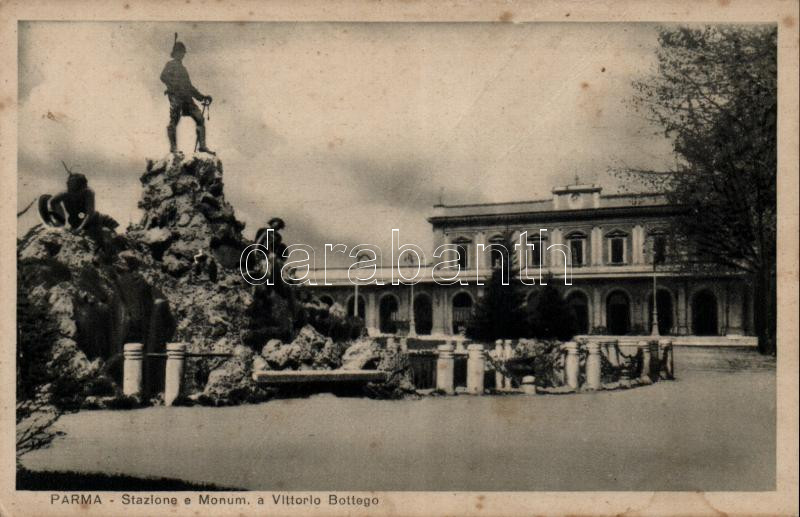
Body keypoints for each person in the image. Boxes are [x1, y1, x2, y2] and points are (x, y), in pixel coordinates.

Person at [160, 35, 214, 154]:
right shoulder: (170, 64)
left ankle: (202, 147)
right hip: (176, 98)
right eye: (180, 52)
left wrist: (202, 97)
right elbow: (163, 76)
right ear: (175, 53)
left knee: (200, 118)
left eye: (183, 53)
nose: (182, 55)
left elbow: (190, 87)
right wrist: (172, 86)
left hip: (187, 99)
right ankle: (173, 148)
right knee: (174, 120)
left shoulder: (183, 69)